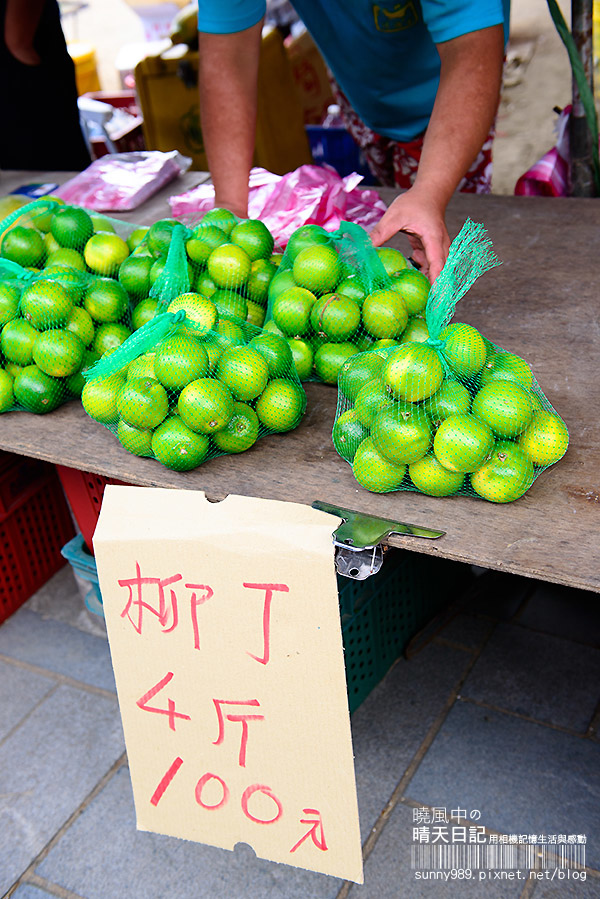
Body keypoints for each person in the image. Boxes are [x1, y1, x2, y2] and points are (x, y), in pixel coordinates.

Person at [196, 1, 509, 282]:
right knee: (400, 206)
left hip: (453, 96)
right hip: (362, 90)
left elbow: (472, 48)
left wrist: (431, 191)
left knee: (443, 233)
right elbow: (229, 57)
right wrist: (231, 208)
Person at [1, 0, 91, 172]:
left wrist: (20, 49)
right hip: (22, 80)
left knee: (52, 175)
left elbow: (19, 42)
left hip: (26, 89)